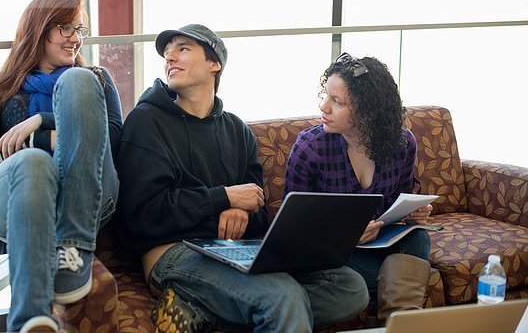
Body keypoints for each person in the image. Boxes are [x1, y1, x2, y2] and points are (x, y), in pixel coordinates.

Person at [114, 24, 369, 333]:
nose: (170, 57)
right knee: (281, 297)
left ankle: (203, 311)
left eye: (182, 49)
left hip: (237, 248)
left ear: (214, 63)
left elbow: (259, 210)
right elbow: (141, 216)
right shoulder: (146, 121)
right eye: (167, 53)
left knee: (350, 286)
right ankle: (259, 308)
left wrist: (242, 212)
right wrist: (225, 197)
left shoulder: (237, 130)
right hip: (174, 252)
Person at [0, 0, 122, 333]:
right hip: (19, 202)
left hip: (90, 196)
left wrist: (43, 120)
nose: (75, 37)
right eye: (64, 27)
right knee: (34, 162)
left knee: (77, 81)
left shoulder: (94, 79)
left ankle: (73, 247)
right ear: (38, 30)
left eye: (78, 28)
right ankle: (30, 322)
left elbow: (113, 139)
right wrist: (38, 142)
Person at [284, 52, 432, 326]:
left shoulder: (402, 143)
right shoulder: (310, 148)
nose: (324, 107)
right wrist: (344, 236)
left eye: (337, 101)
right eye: (325, 96)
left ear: (367, 110)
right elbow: (291, 231)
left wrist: (412, 213)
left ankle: (397, 324)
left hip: (382, 240)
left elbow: (400, 198)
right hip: (337, 251)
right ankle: (399, 320)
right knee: (383, 279)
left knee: (418, 237)